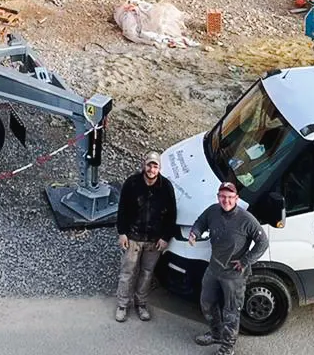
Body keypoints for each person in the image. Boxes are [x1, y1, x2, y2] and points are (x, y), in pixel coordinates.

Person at [187, 181, 268, 353]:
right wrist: (195, 232)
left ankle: (227, 347)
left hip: (234, 275)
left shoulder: (246, 219)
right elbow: (201, 222)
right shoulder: (213, 211)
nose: (226, 201)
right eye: (223, 197)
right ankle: (216, 334)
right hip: (214, 268)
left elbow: (263, 242)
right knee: (207, 302)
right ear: (218, 197)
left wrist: (246, 261)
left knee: (231, 311)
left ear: (236, 198)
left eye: (230, 197)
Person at [114, 150, 177, 323]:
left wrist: (165, 237)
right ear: (144, 164)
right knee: (127, 272)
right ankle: (122, 305)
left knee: (147, 273)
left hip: (154, 241)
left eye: (155, 165)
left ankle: (141, 304)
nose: (151, 168)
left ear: (159, 168)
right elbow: (122, 210)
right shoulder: (131, 183)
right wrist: (122, 233)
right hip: (133, 237)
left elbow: (172, 215)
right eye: (149, 164)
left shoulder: (166, 187)